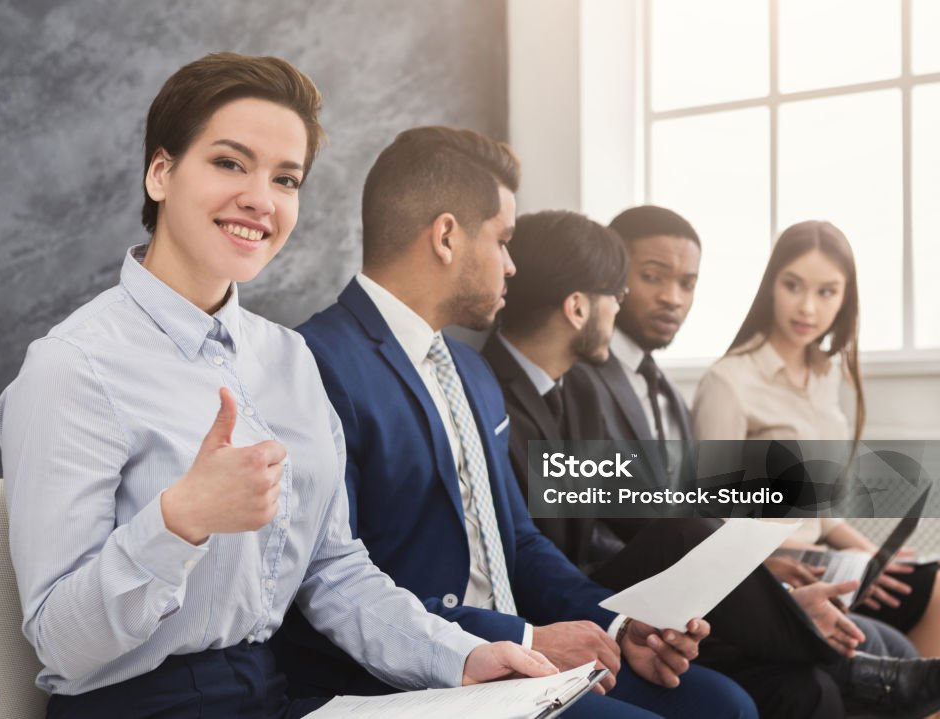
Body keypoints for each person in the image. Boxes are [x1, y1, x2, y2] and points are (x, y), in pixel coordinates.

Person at [0, 54, 560, 719]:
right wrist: (180, 520)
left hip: (273, 696)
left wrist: (458, 655)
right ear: (161, 172)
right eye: (230, 163)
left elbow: (334, 573)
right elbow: (60, 641)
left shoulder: (289, 358)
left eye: (286, 178)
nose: (261, 198)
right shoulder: (74, 366)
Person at [273, 127, 758, 719]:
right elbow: (335, 582)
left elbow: (518, 541)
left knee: (724, 706)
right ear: (447, 236)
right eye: (502, 241)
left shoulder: (472, 374)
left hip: (515, 655)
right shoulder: (316, 364)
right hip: (414, 676)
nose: (510, 265)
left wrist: (619, 623)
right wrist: (522, 638)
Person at [486, 208, 940, 718]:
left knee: (804, 671)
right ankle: (824, 649)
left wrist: (764, 580)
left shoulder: (583, 387)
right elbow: (599, 526)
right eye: (621, 293)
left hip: (633, 579)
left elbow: (639, 504)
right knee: (688, 535)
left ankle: (811, 639)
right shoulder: (506, 389)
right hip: (578, 587)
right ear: (577, 307)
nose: (634, 304)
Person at [691, 220, 940, 658]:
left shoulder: (826, 378)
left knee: (932, 583)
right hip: (775, 571)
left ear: (845, 299)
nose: (807, 307)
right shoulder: (730, 383)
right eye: (793, 285)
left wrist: (877, 560)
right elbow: (714, 520)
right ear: (771, 285)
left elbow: (822, 517)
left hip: (827, 559)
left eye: (826, 292)